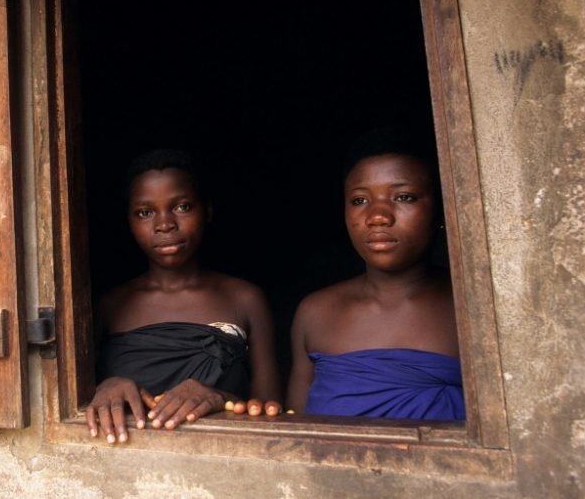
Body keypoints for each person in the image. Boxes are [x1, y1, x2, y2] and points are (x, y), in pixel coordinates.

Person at [87, 149, 282, 444]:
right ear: (128, 221)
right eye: (145, 212)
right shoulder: (108, 306)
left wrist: (219, 397)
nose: (165, 224)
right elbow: (72, 404)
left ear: (208, 210)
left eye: (182, 207)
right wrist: (105, 387)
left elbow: (271, 411)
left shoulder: (245, 299)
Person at [287, 128, 465, 421]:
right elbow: (294, 435)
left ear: (442, 210)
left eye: (404, 197)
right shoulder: (315, 314)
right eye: (359, 200)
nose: (378, 216)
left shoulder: (472, 311)